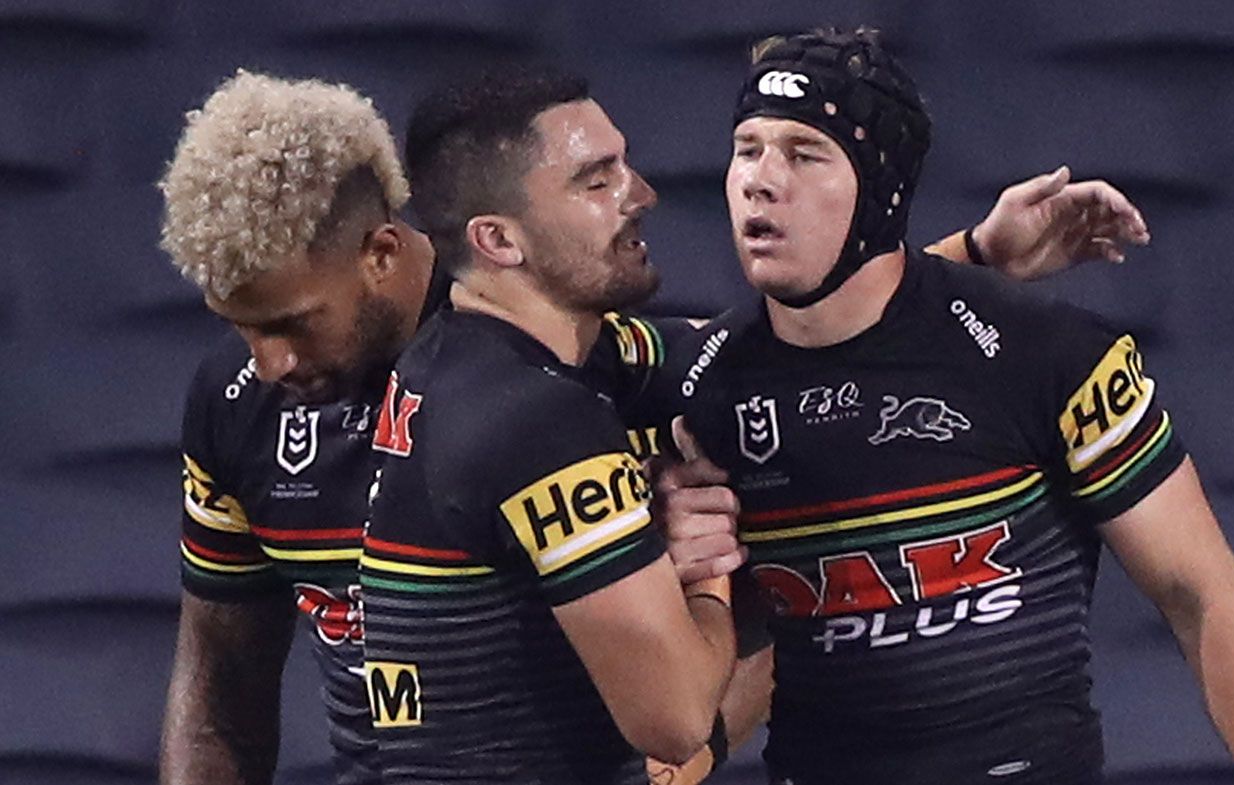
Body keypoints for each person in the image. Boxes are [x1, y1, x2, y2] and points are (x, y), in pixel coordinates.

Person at [155, 69, 1151, 785]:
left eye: (288, 323)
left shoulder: (573, 364)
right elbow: (220, 689)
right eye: (241, 329)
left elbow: (778, 353)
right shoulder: (238, 409)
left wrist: (969, 259)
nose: (267, 362)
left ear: (381, 254)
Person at [669, 28, 1234, 785]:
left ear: (881, 186)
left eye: (804, 152)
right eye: (747, 147)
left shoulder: (1044, 354)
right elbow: (749, 655)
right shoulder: (703, 387)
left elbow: (1207, 602)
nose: (759, 178)